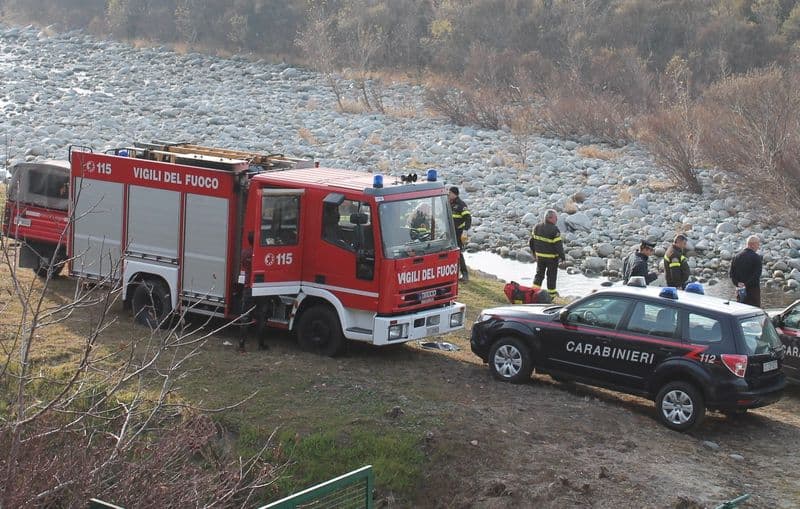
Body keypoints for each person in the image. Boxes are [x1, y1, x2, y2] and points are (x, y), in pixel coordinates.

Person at [529, 209, 565, 298]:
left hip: (540, 257)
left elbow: (531, 241)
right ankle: (551, 295)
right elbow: (558, 245)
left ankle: (534, 292)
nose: (556, 220)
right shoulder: (554, 229)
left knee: (539, 275)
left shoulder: (537, 227)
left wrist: (534, 253)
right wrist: (562, 256)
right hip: (551, 258)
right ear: (550, 218)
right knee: (551, 276)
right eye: (555, 218)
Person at [730, 235, 763, 307]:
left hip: (739, 290)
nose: (758, 246)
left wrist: (738, 283)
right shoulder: (756, 257)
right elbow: (756, 276)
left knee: (740, 310)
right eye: (758, 244)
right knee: (753, 312)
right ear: (752, 244)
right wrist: (746, 284)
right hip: (752, 292)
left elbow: (732, 274)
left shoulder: (736, 257)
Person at [449, 186, 471, 281]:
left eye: (450, 193)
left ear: (454, 194)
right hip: (450, 232)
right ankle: (453, 273)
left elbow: (468, 218)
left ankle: (465, 274)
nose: (448, 195)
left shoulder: (461, 205)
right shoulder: (449, 204)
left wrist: (465, 231)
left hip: (458, 233)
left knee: (458, 253)